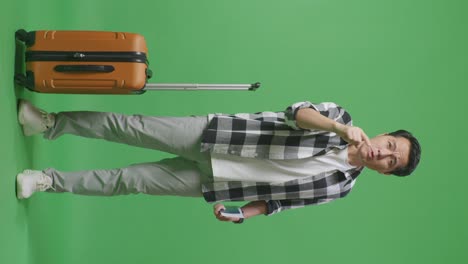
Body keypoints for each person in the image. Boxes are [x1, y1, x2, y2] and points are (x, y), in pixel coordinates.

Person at [16, 99, 421, 224]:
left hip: (221, 184)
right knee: (131, 126)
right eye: (389, 145)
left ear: (387, 172)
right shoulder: (342, 119)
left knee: (131, 180)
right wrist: (336, 128)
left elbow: (281, 202)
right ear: (384, 135)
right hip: (220, 136)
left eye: (391, 161)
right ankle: (48, 123)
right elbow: (296, 112)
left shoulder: (341, 188)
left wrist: (243, 213)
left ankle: (48, 181)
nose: (383, 154)